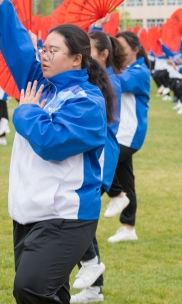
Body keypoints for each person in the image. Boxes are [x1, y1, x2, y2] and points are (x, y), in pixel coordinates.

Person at [0, 0, 115, 304]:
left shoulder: (87, 102)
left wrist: (25, 112)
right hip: (31, 212)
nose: (43, 55)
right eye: (44, 48)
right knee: (47, 293)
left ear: (76, 59)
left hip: (66, 218)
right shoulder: (43, 85)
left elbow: (52, 143)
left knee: (29, 289)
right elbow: (17, 49)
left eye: (53, 51)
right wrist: (1, 0)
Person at [70, 29, 126, 303]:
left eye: (88, 49)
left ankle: (92, 271)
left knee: (78, 216)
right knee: (79, 217)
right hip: (98, 155)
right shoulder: (98, 79)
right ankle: (94, 286)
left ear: (103, 54)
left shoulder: (109, 83)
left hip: (102, 159)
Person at [104, 31, 151, 243]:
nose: (118, 51)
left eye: (122, 47)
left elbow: (119, 82)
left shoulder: (140, 71)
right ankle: (129, 228)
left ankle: (116, 195)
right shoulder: (123, 69)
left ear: (135, 49)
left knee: (103, 158)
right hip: (120, 132)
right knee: (127, 179)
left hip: (129, 134)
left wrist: (102, 66)